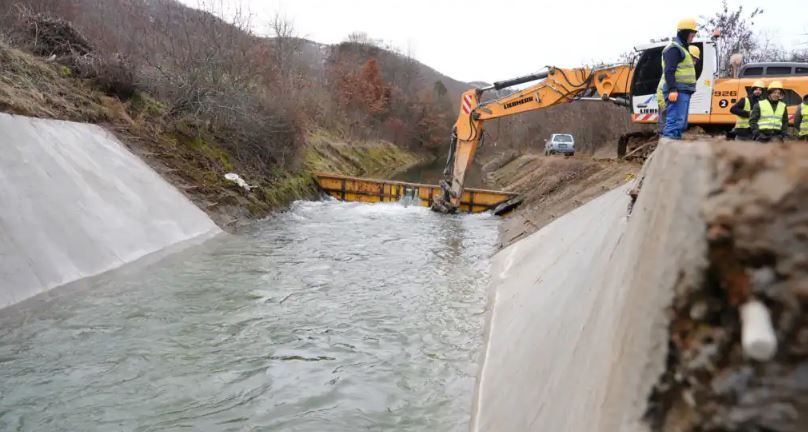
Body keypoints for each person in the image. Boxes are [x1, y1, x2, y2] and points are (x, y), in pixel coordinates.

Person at [661, 18, 699, 140]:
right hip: (677, 91)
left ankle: (672, 153)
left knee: (680, 124)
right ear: (684, 32)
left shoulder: (682, 49)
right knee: (674, 124)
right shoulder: (674, 48)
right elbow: (669, 71)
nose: (692, 38)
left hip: (683, 91)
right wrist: (673, 89)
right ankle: (666, 154)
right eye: (691, 34)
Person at [657, 45, 701, 135]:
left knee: (674, 125)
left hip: (666, 100)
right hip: (666, 101)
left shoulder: (681, 71)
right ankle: (666, 145)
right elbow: (662, 89)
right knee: (669, 126)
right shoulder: (675, 72)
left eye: (696, 60)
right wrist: (665, 106)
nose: (695, 62)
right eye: (694, 59)